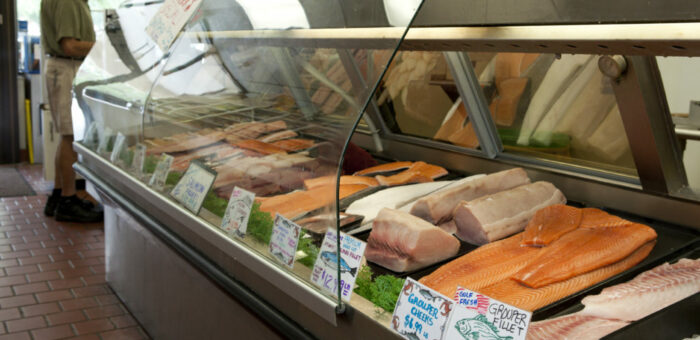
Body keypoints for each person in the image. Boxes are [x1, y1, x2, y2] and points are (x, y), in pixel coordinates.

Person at [41, 0, 102, 223]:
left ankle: (58, 196)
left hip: (63, 67)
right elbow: (70, 46)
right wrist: (103, 46)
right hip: (66, 68)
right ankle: (68, 200)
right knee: (70, 137)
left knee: (65, 136)